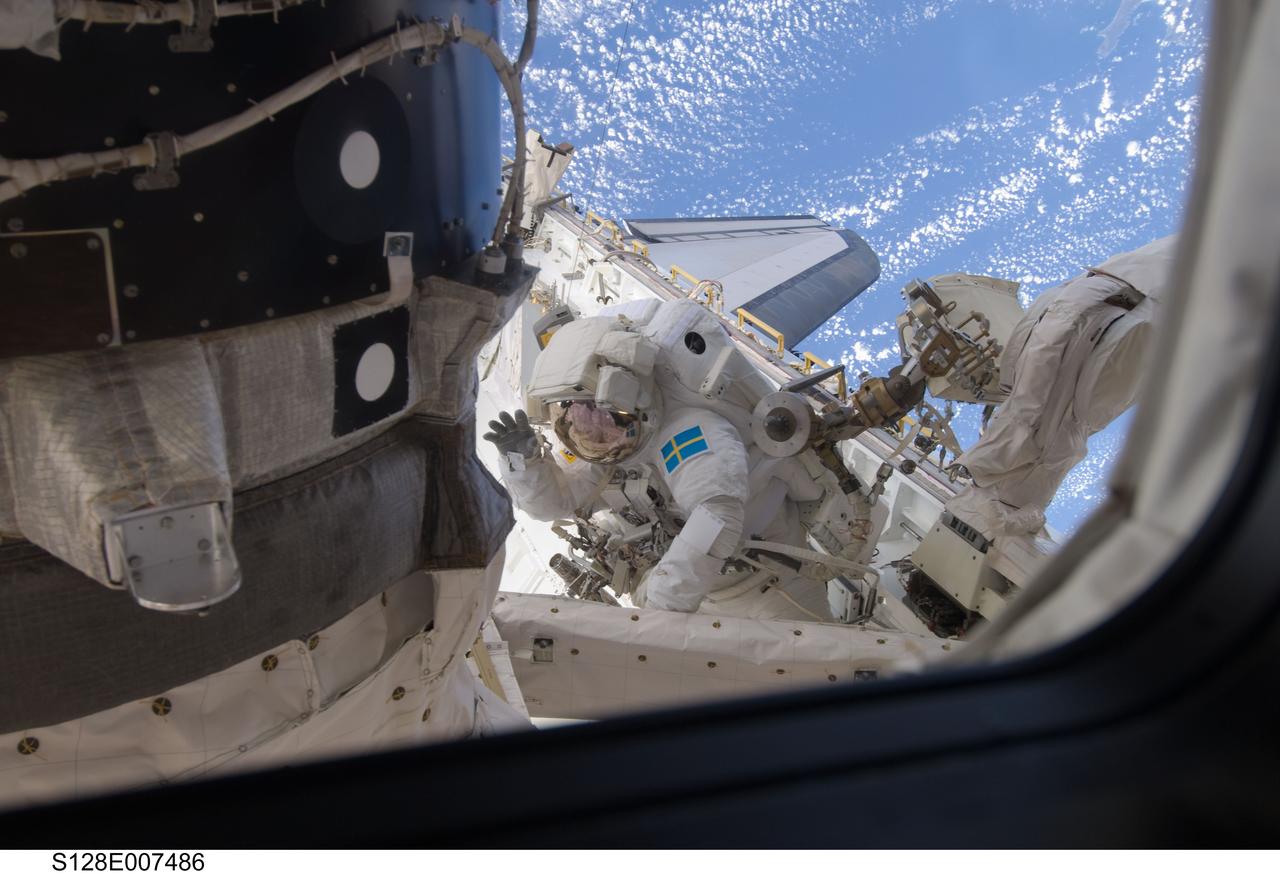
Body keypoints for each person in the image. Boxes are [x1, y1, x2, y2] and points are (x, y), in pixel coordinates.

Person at [485, 299, 832, 620]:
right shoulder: (609, 447)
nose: (598, 438)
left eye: (607, 422)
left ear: (635, 400)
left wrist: (657, 608)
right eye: (580, 425)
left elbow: (717, 515)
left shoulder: (689, 432)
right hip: (700, 596)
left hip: (771, 588)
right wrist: (523, 462)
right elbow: (551, 506)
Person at [947, 235, 1178, 540]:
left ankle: (988, 512)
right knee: (1045, 426)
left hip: (1102, 300)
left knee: (1039, 421)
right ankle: (987, 514)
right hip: (1116, 310)